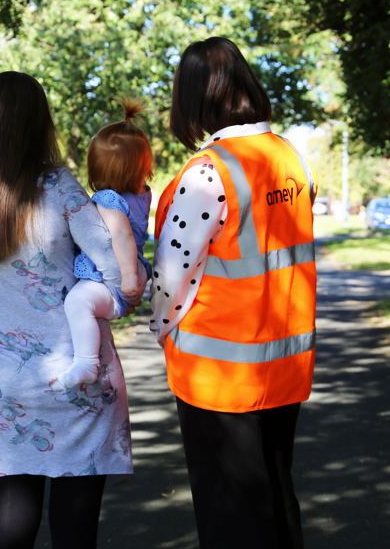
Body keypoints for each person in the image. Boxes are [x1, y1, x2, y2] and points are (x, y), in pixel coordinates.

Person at [0, 72, 135, 549]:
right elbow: (115, 275)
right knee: (75, 534)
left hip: (8, 384)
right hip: (79, 379)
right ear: (39, 125)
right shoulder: (59, 187)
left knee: (9, 529)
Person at [149, 37, 317, 549]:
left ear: (194, 97)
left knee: (231, 518)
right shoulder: (292, 157)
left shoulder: (209, 172)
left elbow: (171, 278)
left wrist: (158, 330)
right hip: (284, 364)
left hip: (218, 375)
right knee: (276, 492)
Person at [58, 98, 153, 388]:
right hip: (135, 270)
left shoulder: (107, 200)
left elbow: (122, 235)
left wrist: (127, 279)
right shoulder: (143, 195)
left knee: (77, 302)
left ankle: (87, 363)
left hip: (112, 280)